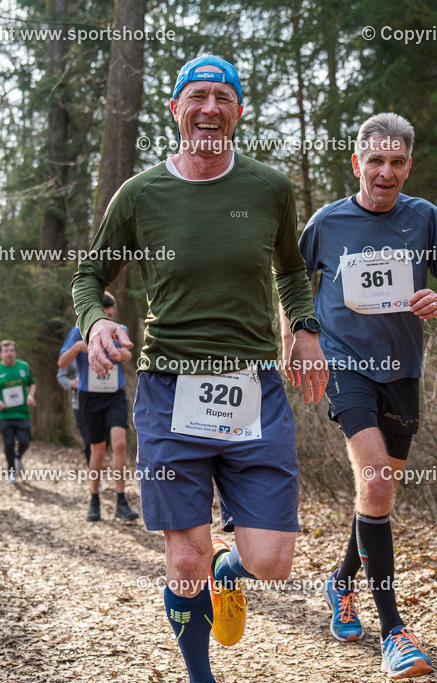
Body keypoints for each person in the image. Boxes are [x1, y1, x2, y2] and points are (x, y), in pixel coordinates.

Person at [71, 55, 328, 683]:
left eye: (222, 96)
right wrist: (95, 322)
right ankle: (200, 675)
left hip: (253, 390)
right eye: (197, 96)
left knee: (271, 561)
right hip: (168, 391)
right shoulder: (141, 195)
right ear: (175, 109)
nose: (210, 107)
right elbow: (89, 275)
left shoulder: (270, 188)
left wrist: (305, 329)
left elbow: (292, 271)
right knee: (182, 562)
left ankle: (229, 569)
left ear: (238, 110)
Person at [280, 112, 437, 679]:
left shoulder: (425, 219)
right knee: (373, 478)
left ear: (407, 166)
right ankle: (395, 632)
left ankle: (340, 584)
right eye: (376, 161)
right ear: (357, 163)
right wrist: (296, 337)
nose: (385, 172)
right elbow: (291, 279)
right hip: (344, 364)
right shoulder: (327, 222)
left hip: (402, 370)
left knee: (379, 493)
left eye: (396, 163)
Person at [58, 292, 139, 522]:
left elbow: (127, 354)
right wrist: (78, 348)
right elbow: (62, 363)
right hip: (89, 397)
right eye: (106, 312)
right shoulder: (78, 330)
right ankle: (94, 499)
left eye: (112, 312)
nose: (110, 316)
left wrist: (119, 352)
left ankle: (121, 501)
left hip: (114, 394)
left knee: (120, 443)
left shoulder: (119, 328)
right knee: (98, 450)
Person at [0, 340, 36, 484]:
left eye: (12, 350)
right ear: (0, 354)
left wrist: (31, 396)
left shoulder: (23, 366)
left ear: (15, 352)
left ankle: (18, 456)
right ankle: (11, 470)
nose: (9, 353)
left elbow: (31, 383)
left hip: (22, 412)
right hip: (4, 414)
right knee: (8, 443)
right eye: (6, 351)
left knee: (25, 441)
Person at [56, 362, 93, 465]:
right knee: (89, 440)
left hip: (106, 403)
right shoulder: (74, 349)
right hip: (80, 404)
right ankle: (94, 473)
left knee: (103, 440)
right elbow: (61, 376)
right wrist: (71, 383)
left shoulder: (108, 348)